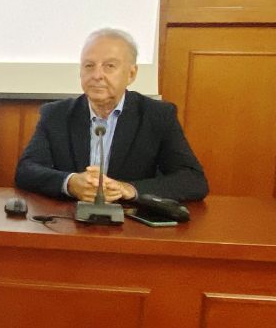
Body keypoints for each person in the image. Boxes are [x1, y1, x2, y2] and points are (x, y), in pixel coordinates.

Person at [15, 28, 208, 202]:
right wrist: (70, 183)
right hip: (69, 219)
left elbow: (193, 179)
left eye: (109, 66)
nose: (97, 75)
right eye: (89, 66)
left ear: (131, 74)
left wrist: (128, 189)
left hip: (129, 221)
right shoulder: (56, 114)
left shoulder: (157, 116)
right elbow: (26, 170)